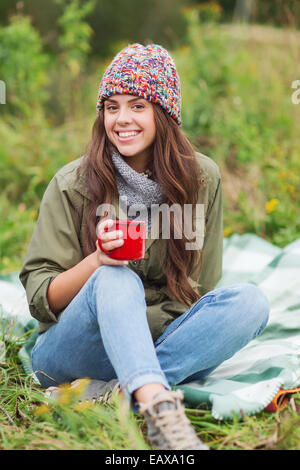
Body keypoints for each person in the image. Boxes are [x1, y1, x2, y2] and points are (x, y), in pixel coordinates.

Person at [19, 43, 270, 450]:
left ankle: (120, 391)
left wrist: (146, 332)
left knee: (251, 302)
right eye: (111, 106)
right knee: (115, 278)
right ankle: (159, 411)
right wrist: (97, 261)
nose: (122, 119)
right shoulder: (72, 184)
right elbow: (38, 297)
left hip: (158, 343)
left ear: (164, 113)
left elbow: (201, 287)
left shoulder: (202, 178)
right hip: (74, 351)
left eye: (138, 105)